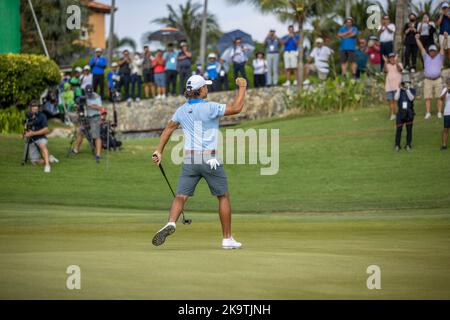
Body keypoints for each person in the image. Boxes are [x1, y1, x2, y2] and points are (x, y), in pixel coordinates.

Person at [151, 75, 248, 249]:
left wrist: (159, 150)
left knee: (181, 196)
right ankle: (227, 238)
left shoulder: (181, 110)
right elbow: (237, 108)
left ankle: (171, 222)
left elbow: (168, 129)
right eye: (205, 87)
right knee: (223, 196)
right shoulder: (210, 107)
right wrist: (242, 87)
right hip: (209, 159)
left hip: (190, 160)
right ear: (201, 90)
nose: (207, 89)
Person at [416, 33, 446, 119]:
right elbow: (421, 47)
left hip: (438, 79)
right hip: (428, 80)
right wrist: (417, 39)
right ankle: (428, 112)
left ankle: (439, 112)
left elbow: (443, 47)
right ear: (429, 52)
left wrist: (445, 38)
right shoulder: (426, 57)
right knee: (427, 97)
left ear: (436, 51)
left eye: (433, 51)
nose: (432, 52)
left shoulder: (440, 57)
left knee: (439, 97)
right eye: (431, 51)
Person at [23, 100, 59, 173]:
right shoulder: (27, 116)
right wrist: (25, 133)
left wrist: (33, 133)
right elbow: (25, 129)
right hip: (31, 140)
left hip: (41, 137)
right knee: (35, 162)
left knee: (42, 146)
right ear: (30, 107)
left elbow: (46, 130)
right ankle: (49, 158)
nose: (35, 108)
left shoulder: (42, 116)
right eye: (33, 106)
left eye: (36, 106)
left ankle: (47, 166)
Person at [71, 85, 103, 163]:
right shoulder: (84, 96)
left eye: (89, 93)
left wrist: (90, 106)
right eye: (87, 92)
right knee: (80, 131)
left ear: (92, 91)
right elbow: (77, 102)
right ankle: (76, 150)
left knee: (96, 136)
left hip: (95, 117)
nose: (88, 94)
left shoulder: (96, 96)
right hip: (87, 117)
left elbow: (100, 108)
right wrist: (77, 105)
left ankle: (98, 155)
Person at [394, 78, 416, 152]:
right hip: (400, 113)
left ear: (409, 83)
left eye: (407, 83)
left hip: (409, 113)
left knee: (409, 130)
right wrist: (398, 89)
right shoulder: (399, 91)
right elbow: (396, 98)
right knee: (398, 130)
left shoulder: (412, 90)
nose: (405, 84)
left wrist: (407, 90)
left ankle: (408, 144)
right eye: (404, 83)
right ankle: (397, 145)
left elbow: (411, 98)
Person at [383, 53, 403, 120]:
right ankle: (392, 114)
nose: (392, 59)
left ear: (395, 58)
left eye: (393, 57)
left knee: (400, 101)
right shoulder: (387, 65)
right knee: (391, 102)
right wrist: (385, 62)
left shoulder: (399, 64)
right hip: (389, 87)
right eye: (390, 57)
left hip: (398, 87)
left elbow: (400, 70)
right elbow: (385, 71)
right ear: (388, 59)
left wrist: (396, 62)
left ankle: (401, 113)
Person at [440, 78, 450, 150]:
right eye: (448, 83)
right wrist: (447, 90)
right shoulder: (445, 89)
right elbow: (441, 98)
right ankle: (444, 145)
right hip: (447, 112)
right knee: (445, 129)